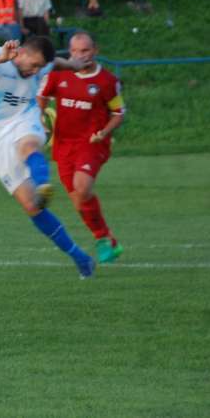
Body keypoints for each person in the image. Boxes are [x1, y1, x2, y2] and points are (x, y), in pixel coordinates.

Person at [0, 37, 95, 279]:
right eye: (33, 65)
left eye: (40, 68)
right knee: (31, 206)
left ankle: (42, 182)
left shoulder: (42, 64)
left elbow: (58, 63)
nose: (36, 71)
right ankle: (79, 257)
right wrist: (1, 57)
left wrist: (74, 64)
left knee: (28, 145)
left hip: (25, 116)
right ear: (20, 53)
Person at [38, 32, 125, 264]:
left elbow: (118, 113)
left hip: (93, 143)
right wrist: (40, 119)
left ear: (94, 50)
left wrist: (105, 132)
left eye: (84, 50)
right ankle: (106, 239)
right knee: (78, 199)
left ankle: (102, 239)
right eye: (74, 51)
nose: (79, 55)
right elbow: (41, 96)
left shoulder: (107, 81)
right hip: (64, 145)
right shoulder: (59, 74)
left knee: (82, 187)